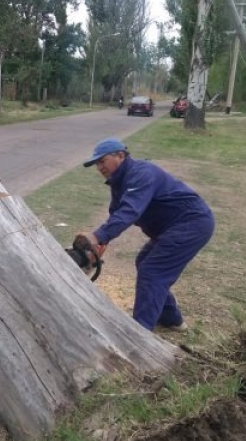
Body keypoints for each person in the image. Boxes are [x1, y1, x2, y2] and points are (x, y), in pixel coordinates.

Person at [76, 138, 214, 332]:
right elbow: (116, 217)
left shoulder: (141, 173)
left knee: (153, 271)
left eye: (102, 161)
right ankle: (171, 319)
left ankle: (139, 335)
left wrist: (97, 236)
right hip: (172, 229)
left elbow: (129, 211)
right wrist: (96, 249)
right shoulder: (119, 182)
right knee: (145, 262)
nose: (99, 167)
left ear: (120, 155)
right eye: (96, 163)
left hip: (191, 223)